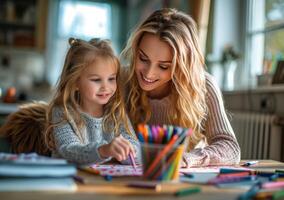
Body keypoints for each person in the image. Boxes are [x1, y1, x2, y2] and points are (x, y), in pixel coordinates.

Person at [121, 8, 240, 167]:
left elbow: (230, 148)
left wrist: (186, 159)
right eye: (143, 58)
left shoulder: (203, 86)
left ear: (182, 66)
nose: (149, 73)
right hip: (133, 177)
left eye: (163, 66)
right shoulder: (122, 79)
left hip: (185, 177)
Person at [45, 38, 139, 165]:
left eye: (111, 79)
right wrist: (104, 150)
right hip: (68, 181)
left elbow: (135, 149)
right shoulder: (63, 112)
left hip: (102, 182)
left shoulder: (116, 112)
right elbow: (68, 150)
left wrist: (128, 152)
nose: (106, 87)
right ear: (76, 82)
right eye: (96, 80)